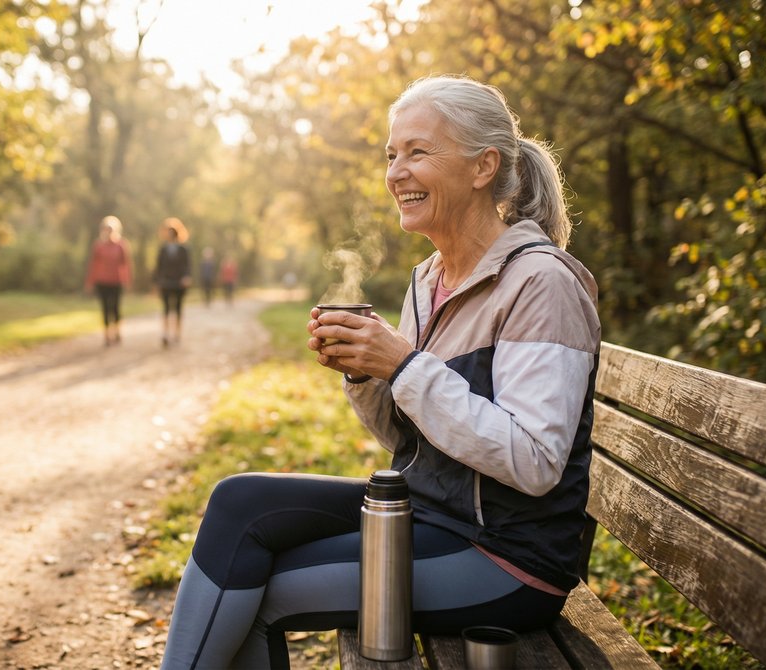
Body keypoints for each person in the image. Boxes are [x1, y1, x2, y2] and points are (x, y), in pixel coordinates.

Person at [159, 74, 600, 670]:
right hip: (428, 515)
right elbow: (407, 437)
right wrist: (366, 375)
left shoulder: (540, 283)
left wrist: (404, 364)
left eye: (418, 152)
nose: (396, 172)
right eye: (392, 155)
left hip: (506, 557)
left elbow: (536, 462)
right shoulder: (428, 279)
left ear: (483, 166)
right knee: (239, 502)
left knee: (262, 593)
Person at [84, 215, 132, 346]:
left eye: (111, 229)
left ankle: (117, 331)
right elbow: (93, 265)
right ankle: (107, 335)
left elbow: (126, 264)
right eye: (106, 229)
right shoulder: (98, 245)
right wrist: (90, 281)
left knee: (115, 307)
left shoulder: (121, 245)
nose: (108, 231)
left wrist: (127, 281)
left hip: (116, 281)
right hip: (102, 281)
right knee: (105, 308)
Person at [153, 217, 192, 347]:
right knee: (166, 309)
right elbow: (158, 267)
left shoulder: (183, 249)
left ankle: (177, 333)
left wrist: (186, 277)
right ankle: (165, 333)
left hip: (179, 283)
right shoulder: (163, 249)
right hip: (166, 282)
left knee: (178, 309)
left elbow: (187, 266)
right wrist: (156, 282)